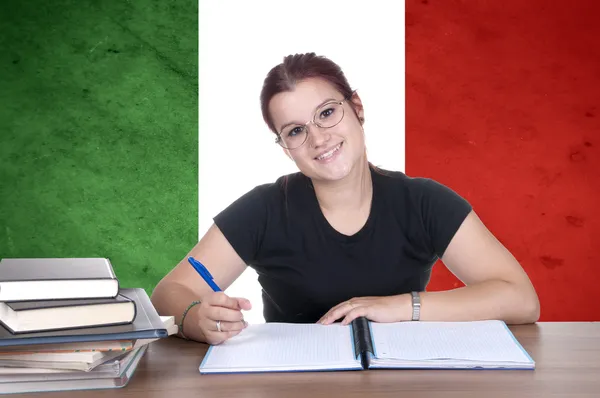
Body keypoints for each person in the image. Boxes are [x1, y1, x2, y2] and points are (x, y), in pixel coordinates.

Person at [150, 52, 540, 345]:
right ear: (286, 148)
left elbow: (520, 299)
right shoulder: (264, 209)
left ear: (356, 108)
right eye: (295, 131)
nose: (318, 138)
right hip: (295, 384)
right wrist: (193, 316)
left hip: (401, 380)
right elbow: (169, 293)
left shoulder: (424, 202)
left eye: (327, 113)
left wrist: (400, 306)